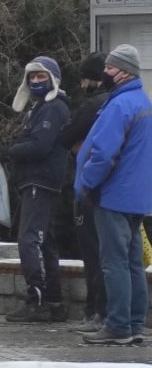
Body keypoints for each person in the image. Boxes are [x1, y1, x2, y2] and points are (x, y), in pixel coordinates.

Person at [75, 44, 152, 345]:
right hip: (136, 197)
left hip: (113, 195)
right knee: (133, 262)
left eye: (109, 68)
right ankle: (134, 323)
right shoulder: (142, 101)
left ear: (123, 72)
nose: (104, 73)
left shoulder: (119, 105)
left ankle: (118, 325)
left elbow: (103, 153)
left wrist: (86, 184)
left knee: (114, 262)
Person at [0, 56, 71, 323]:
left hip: (41, 180)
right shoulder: (40, 108)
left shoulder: (52, 108)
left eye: (41, 77)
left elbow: (40, 146)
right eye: (32, 77)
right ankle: (54, 301)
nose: (36, 81)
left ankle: (36, 300)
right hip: (39, 180)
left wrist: (8, 152)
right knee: (44, 241)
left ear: (53, 79)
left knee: (29, 239)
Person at [59, 53, 109, 333]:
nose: (81, 83)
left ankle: (95, 312)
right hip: (116, 191)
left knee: (93, 254)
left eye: (84, 78)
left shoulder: (92, 105)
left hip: (90, 189)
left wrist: (80, 144)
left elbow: (66, 136)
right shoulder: (118, 103)